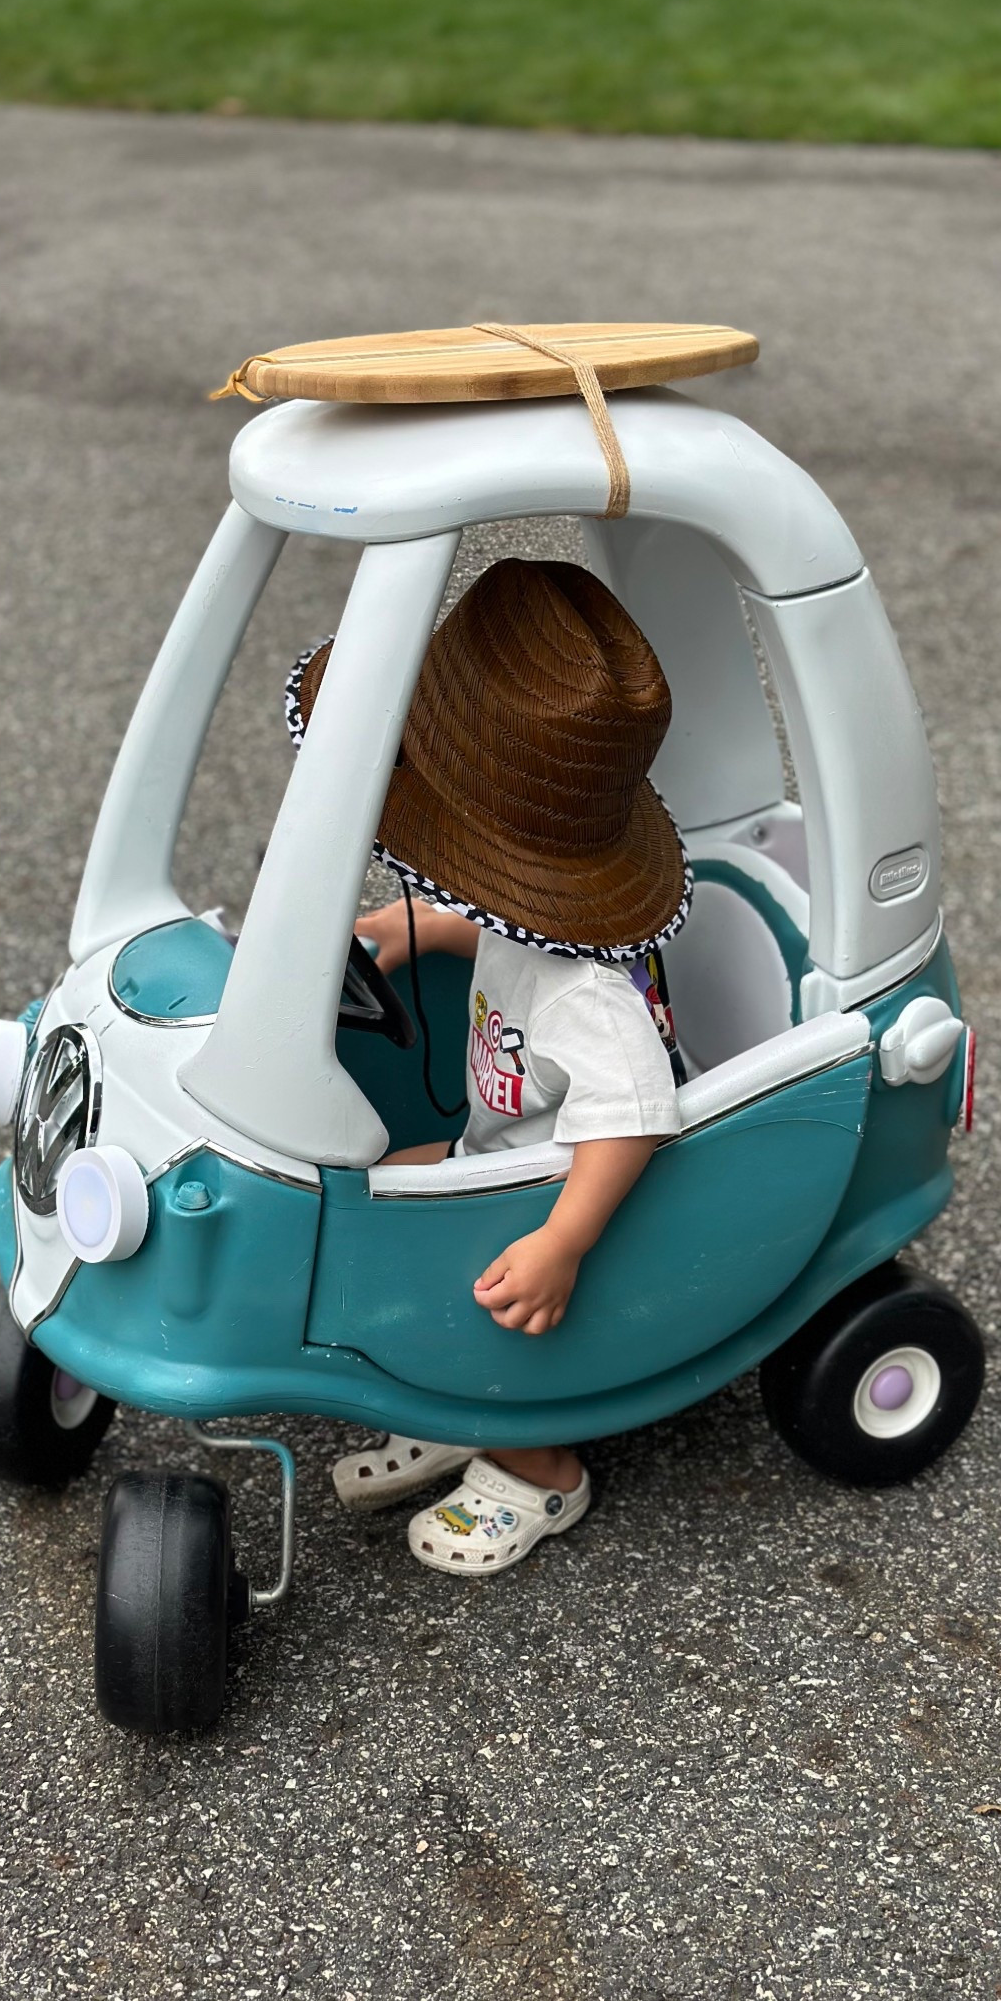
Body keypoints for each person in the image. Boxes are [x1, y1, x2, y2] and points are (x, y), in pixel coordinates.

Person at [287, 557, 690, 1575]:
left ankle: (539, 1463)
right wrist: (435, 931)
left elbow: (631, 1114)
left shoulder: (594, 1002)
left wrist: (564, 1238)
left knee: (466, 1285)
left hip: (545, 1191)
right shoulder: (535, 922)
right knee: (385, 1195)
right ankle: (442, 1393)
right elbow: (508, 937)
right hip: (493, 1147)